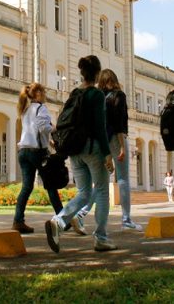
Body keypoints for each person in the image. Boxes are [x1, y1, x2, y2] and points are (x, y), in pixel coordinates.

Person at [45, 55, 117, 253]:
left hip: (74, 150)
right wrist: (107, 153)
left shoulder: (75, 93)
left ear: (82, 73)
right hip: (92, 148)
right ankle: (101, 238)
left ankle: (58, 222)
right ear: (97, 74)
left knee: (84, 193)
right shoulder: (96, 95)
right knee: (102, 191)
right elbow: (100, 127)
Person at [72, 69, 142, 234]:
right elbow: (119, 123)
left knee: (102, 183)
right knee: (123, 179)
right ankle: (126, 220)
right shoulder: (119, 95)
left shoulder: (98, 97)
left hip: (101, 141)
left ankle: (81, 213)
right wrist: (123, 146)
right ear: (115, 80)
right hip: (116, 139)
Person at [12, 82, 64, 234]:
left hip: (23, 151)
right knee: (51, 185)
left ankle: (18, 221)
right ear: (38, 94)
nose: (45, 95)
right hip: (37, 152)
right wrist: (54, 128)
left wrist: (48, 141)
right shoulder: (42, 108)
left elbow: (33, 130)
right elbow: (43, 127)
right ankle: (62, 220)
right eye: (43, 92)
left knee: (26, 187)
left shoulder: (26, 109)